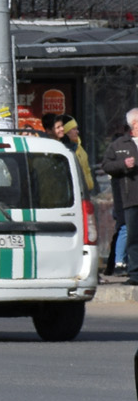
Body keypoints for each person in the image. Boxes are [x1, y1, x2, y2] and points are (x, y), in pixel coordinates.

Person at [99, 107, 138, 284]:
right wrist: (123, 164)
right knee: (132, 236)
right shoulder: (119, 145)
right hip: (130, 198)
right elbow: (106, 165)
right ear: (135, 124)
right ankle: (134, 273)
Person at [61, 116, 95, 192]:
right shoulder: (62, 149)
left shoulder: (79, 148)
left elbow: (86, 170)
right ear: (66, 131)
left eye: (77, 128)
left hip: (85, 190)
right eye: (74, 129)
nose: (77, 132)